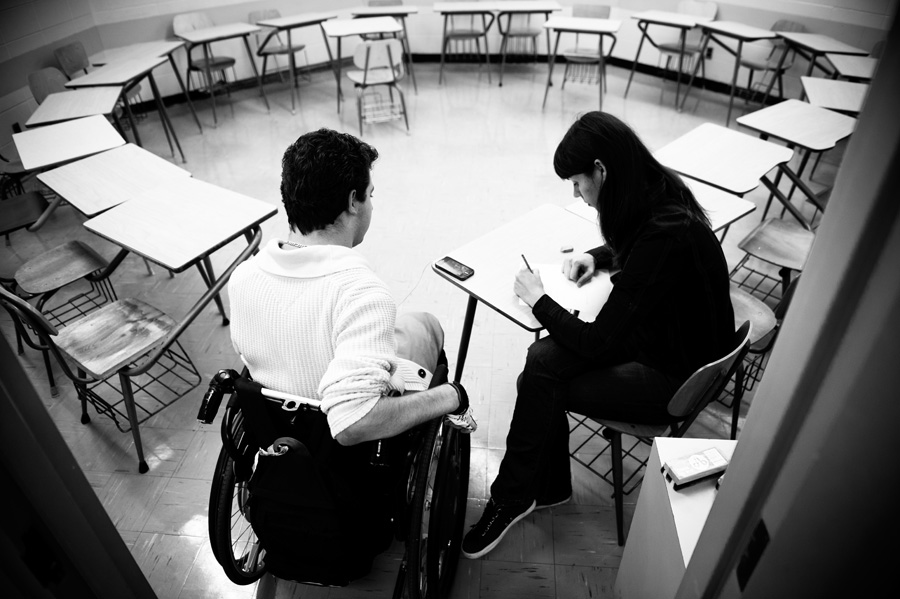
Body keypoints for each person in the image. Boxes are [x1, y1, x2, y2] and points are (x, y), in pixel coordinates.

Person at [461, 112, 735, 559]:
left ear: (602, 171)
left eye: (577, 182)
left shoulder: (663, 232)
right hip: (671, 339)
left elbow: (597, 343)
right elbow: (642, 251)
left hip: (677, 376)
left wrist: (538, 300)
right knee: (540, 367)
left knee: (540, 375)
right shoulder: (658, 192)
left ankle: (516, 496)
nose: (576, 193)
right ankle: (541, 489)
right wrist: (598, 256)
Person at [228, 128, 475, 447]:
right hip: (345, 456)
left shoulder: (244, 276)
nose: (371, 204)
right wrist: (452, 395)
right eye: (369, 195)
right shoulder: (360, 294)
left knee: (404, 326)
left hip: (279, 428)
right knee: (426, 325)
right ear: (352, 202)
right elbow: (352, 422)